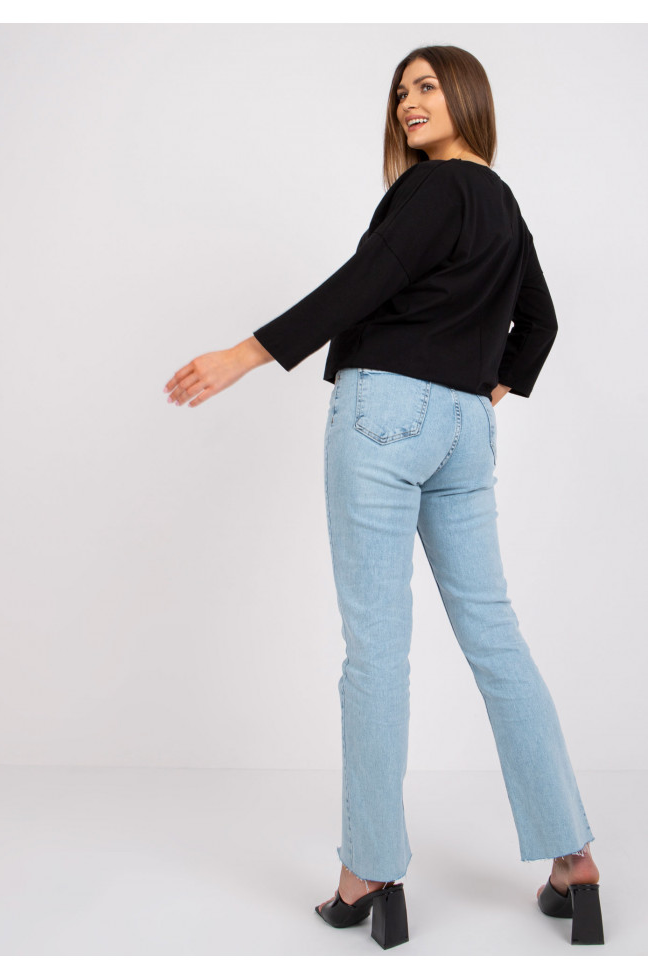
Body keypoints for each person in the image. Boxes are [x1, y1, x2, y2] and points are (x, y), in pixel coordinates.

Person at [163, 45, 603, 950]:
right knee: (495, 634)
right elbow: (541, 322)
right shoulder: (503, 203)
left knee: (376, 648)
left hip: (384, 412)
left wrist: (244, 355)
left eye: (427, 87)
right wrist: (487, 385)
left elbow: (366, 283)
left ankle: (368, 870)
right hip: (464, 429)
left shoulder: (432, 187)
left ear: (466, 96)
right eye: (401, 91)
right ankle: (574, 857)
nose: (408, 103)